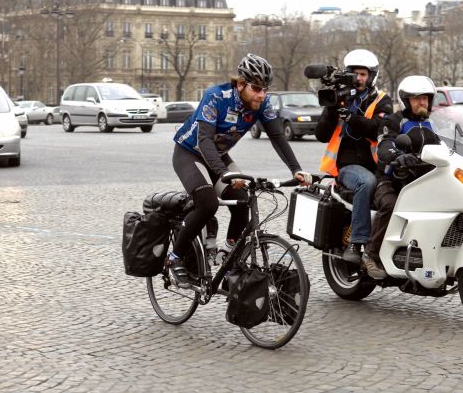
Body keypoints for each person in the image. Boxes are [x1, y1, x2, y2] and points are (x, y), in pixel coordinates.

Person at [169, 53, 311, 287]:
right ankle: (174, 259)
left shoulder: (261, 103)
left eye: (265, 89)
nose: (261, 95)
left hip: (219, 156)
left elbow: (277, 136)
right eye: (256, 88)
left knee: (244, 199)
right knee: (207, 203)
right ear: (241, 83)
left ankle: (228, 257)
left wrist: (296, 169)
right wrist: (224, 174)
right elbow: (204, 141)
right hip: (190, 153)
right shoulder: (215, 96)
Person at [315, 49, 392, 264]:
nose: (358, 79)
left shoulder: (382, 101)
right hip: (347, 167)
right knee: (366, 182)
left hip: (377, 165)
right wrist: (332, 109)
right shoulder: (340, 99)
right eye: (354, 74)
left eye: (363, 74)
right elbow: (321, 135)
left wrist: (352, 117)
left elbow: (378, 127)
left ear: (372, 76)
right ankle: (357, 243)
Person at [362, 75, 440, 279]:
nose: (422, 102)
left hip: (423, 180)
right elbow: (384, 145)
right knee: (390, 204)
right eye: (416, 99)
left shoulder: (435, 124)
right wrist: (399, 155)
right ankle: (370, 255)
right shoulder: (393, 120)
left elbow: (449, 146)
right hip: (392, 179)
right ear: (407, 101)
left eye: (425, 98)